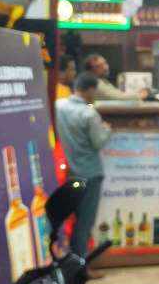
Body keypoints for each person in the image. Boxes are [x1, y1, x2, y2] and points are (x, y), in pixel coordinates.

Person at [55, 71, 112, 264]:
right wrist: (107, 129)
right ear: (90, 90)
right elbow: (99, 142)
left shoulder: (59, 106)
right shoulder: (89, 114)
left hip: (70, 173)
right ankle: (79, 268)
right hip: (91, 174)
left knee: (74, 220)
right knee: (85, 223)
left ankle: (71, 262)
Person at [83, 54, 149, 102]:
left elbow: (118, 94)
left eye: (105, 63)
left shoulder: (103, 81)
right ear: (91, 69)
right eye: (99, 66)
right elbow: (118, 97)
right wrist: (140, 95)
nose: (105, 67)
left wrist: (138, 93)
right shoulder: (94, 83)